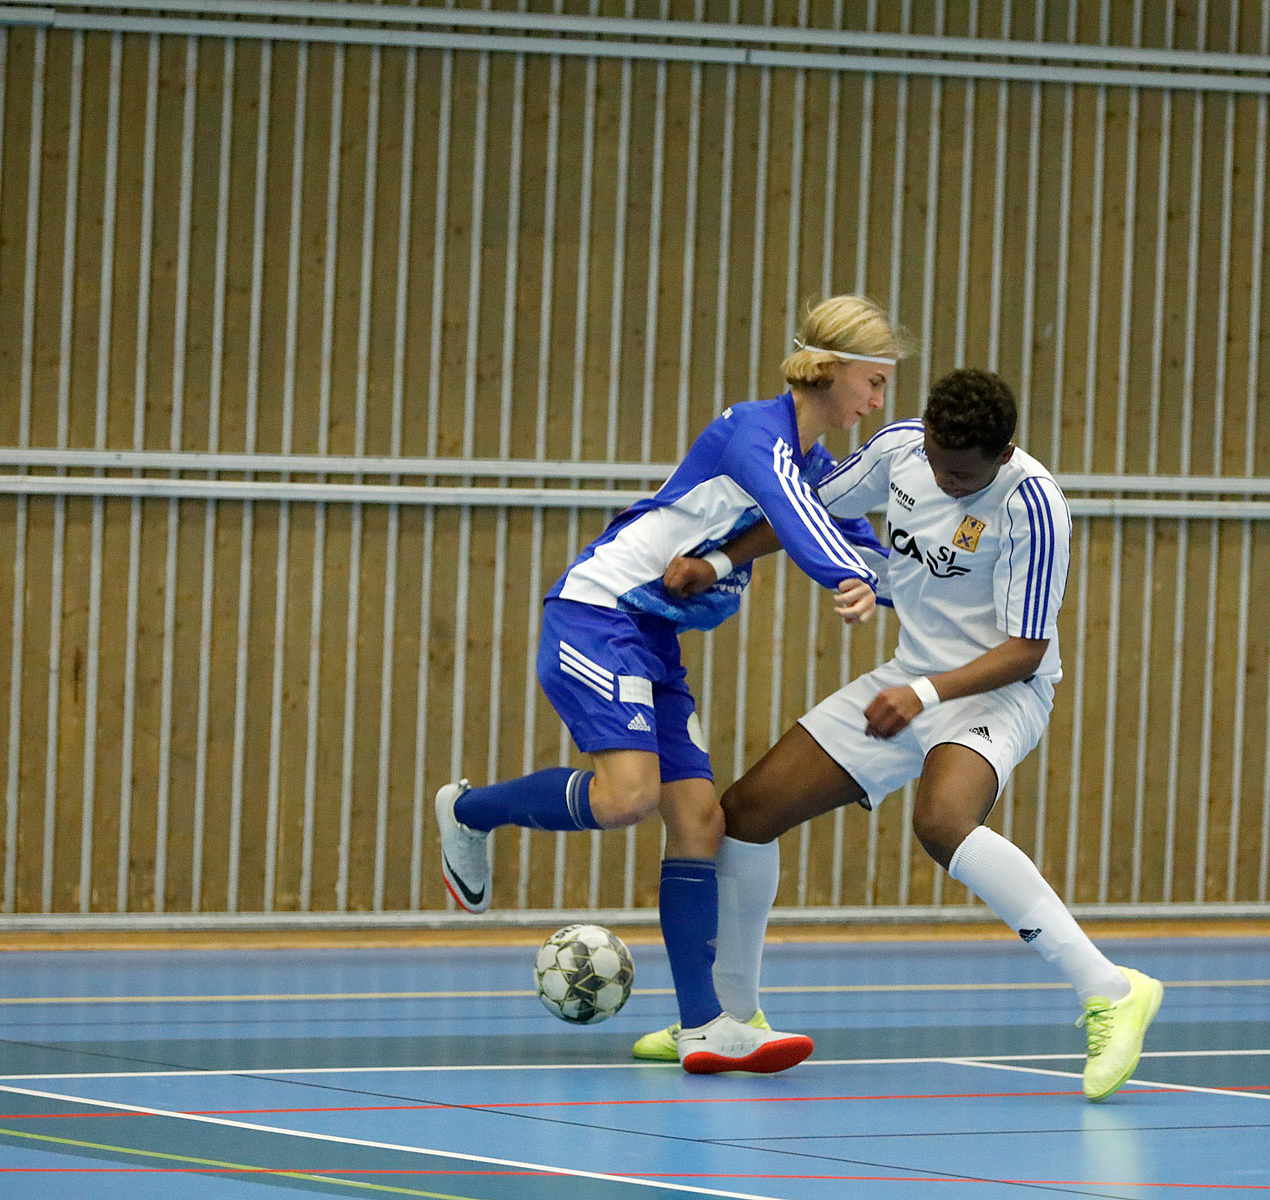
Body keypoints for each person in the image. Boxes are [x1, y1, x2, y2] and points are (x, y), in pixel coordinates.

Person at [629, 368, 1163, 1101]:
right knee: (746, 816)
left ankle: (1111, 989)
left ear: (1004, 454)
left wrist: (923, 694)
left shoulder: (1033, 505)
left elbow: (1027, 648)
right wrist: (721, 559)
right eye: (938, 463)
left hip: (996, 692)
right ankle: (733, 1015)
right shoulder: (901, 450)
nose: (943, 481)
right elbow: (803, 510)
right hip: (910, 678)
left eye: (962, 473)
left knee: (943, 821)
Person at [434, 295, 906, 1075]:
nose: (878, 402)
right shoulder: (755, 434)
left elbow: (854, 537)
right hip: (596, 613)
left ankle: (702, 1028)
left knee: (700, 823)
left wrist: (955, 605)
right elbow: (797, 517)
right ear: (827, 369)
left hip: (651, 637)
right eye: (874, 381)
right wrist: (843, 574)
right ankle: (469, 810)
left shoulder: (816, 465)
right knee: (629, 797)